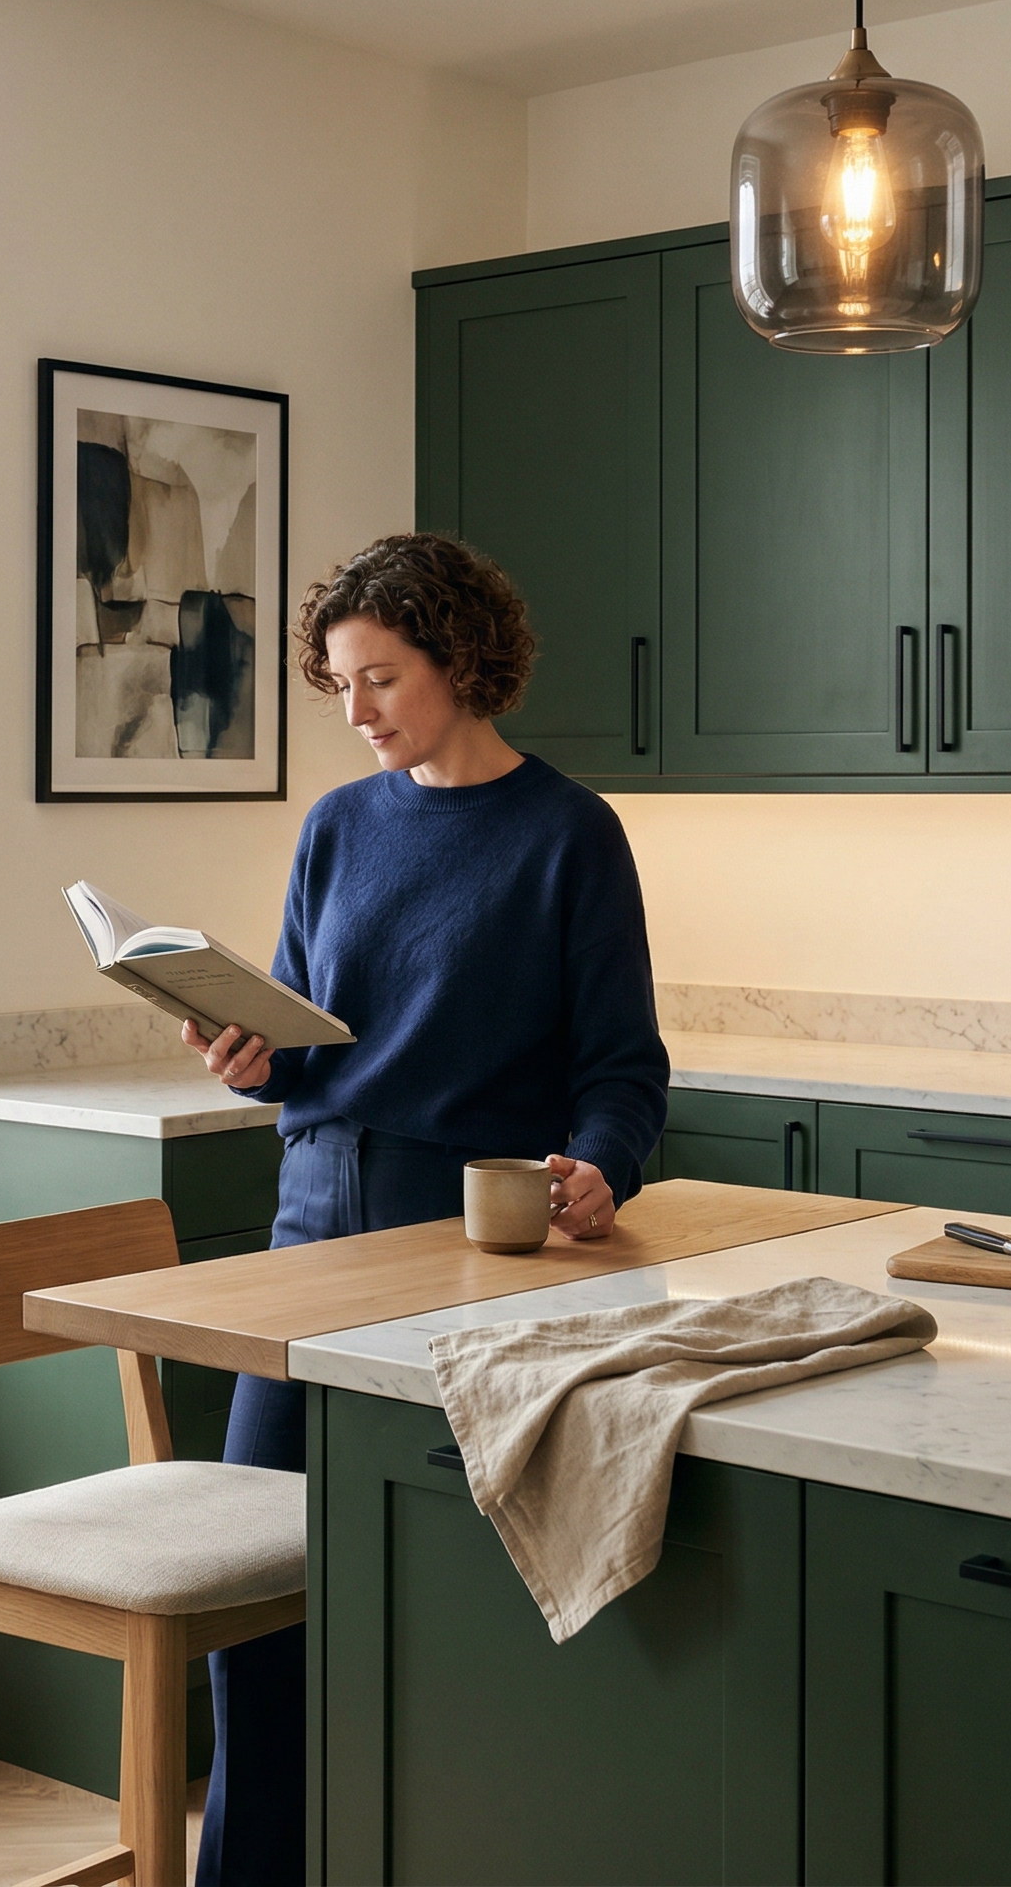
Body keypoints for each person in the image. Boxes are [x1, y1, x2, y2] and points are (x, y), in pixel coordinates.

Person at [180, 532, 669, 1886]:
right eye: (340, 685)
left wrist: (600, 1169)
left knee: (461, 1599)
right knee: (255, 1581)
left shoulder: (570, 834)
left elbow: (622, 1070)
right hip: (309, 1224)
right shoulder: (338, 825)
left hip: (471, 1253)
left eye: (381, 677)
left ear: (461, 659)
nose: (358, 712)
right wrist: (251, 1057)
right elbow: (306, 1035)